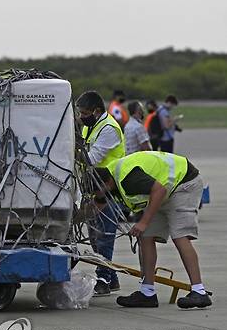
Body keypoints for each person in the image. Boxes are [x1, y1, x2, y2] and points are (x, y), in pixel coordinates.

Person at [94, 151, 212, 309]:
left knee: (180, 235)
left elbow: (159, 191)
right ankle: (147, 293)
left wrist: (143, 222)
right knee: (146, 236)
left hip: (184, 183)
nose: (97, 195)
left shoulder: (128, 178)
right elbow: (97, 205)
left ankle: (199, 292)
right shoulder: (106, 178)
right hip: (165, 188)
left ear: (106, 184)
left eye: (97, 192)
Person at [76, 90, 126, 296]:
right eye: (79, 113)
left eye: (85, 113)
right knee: (95, 238)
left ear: (97, 111)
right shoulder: (93, 127)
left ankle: (104, 278)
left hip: (109, 188)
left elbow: (92, 158)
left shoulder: (109, 128)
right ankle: (112, 278)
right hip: (93, 186)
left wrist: (72, 150)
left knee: (105, 235)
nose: (82, 117)